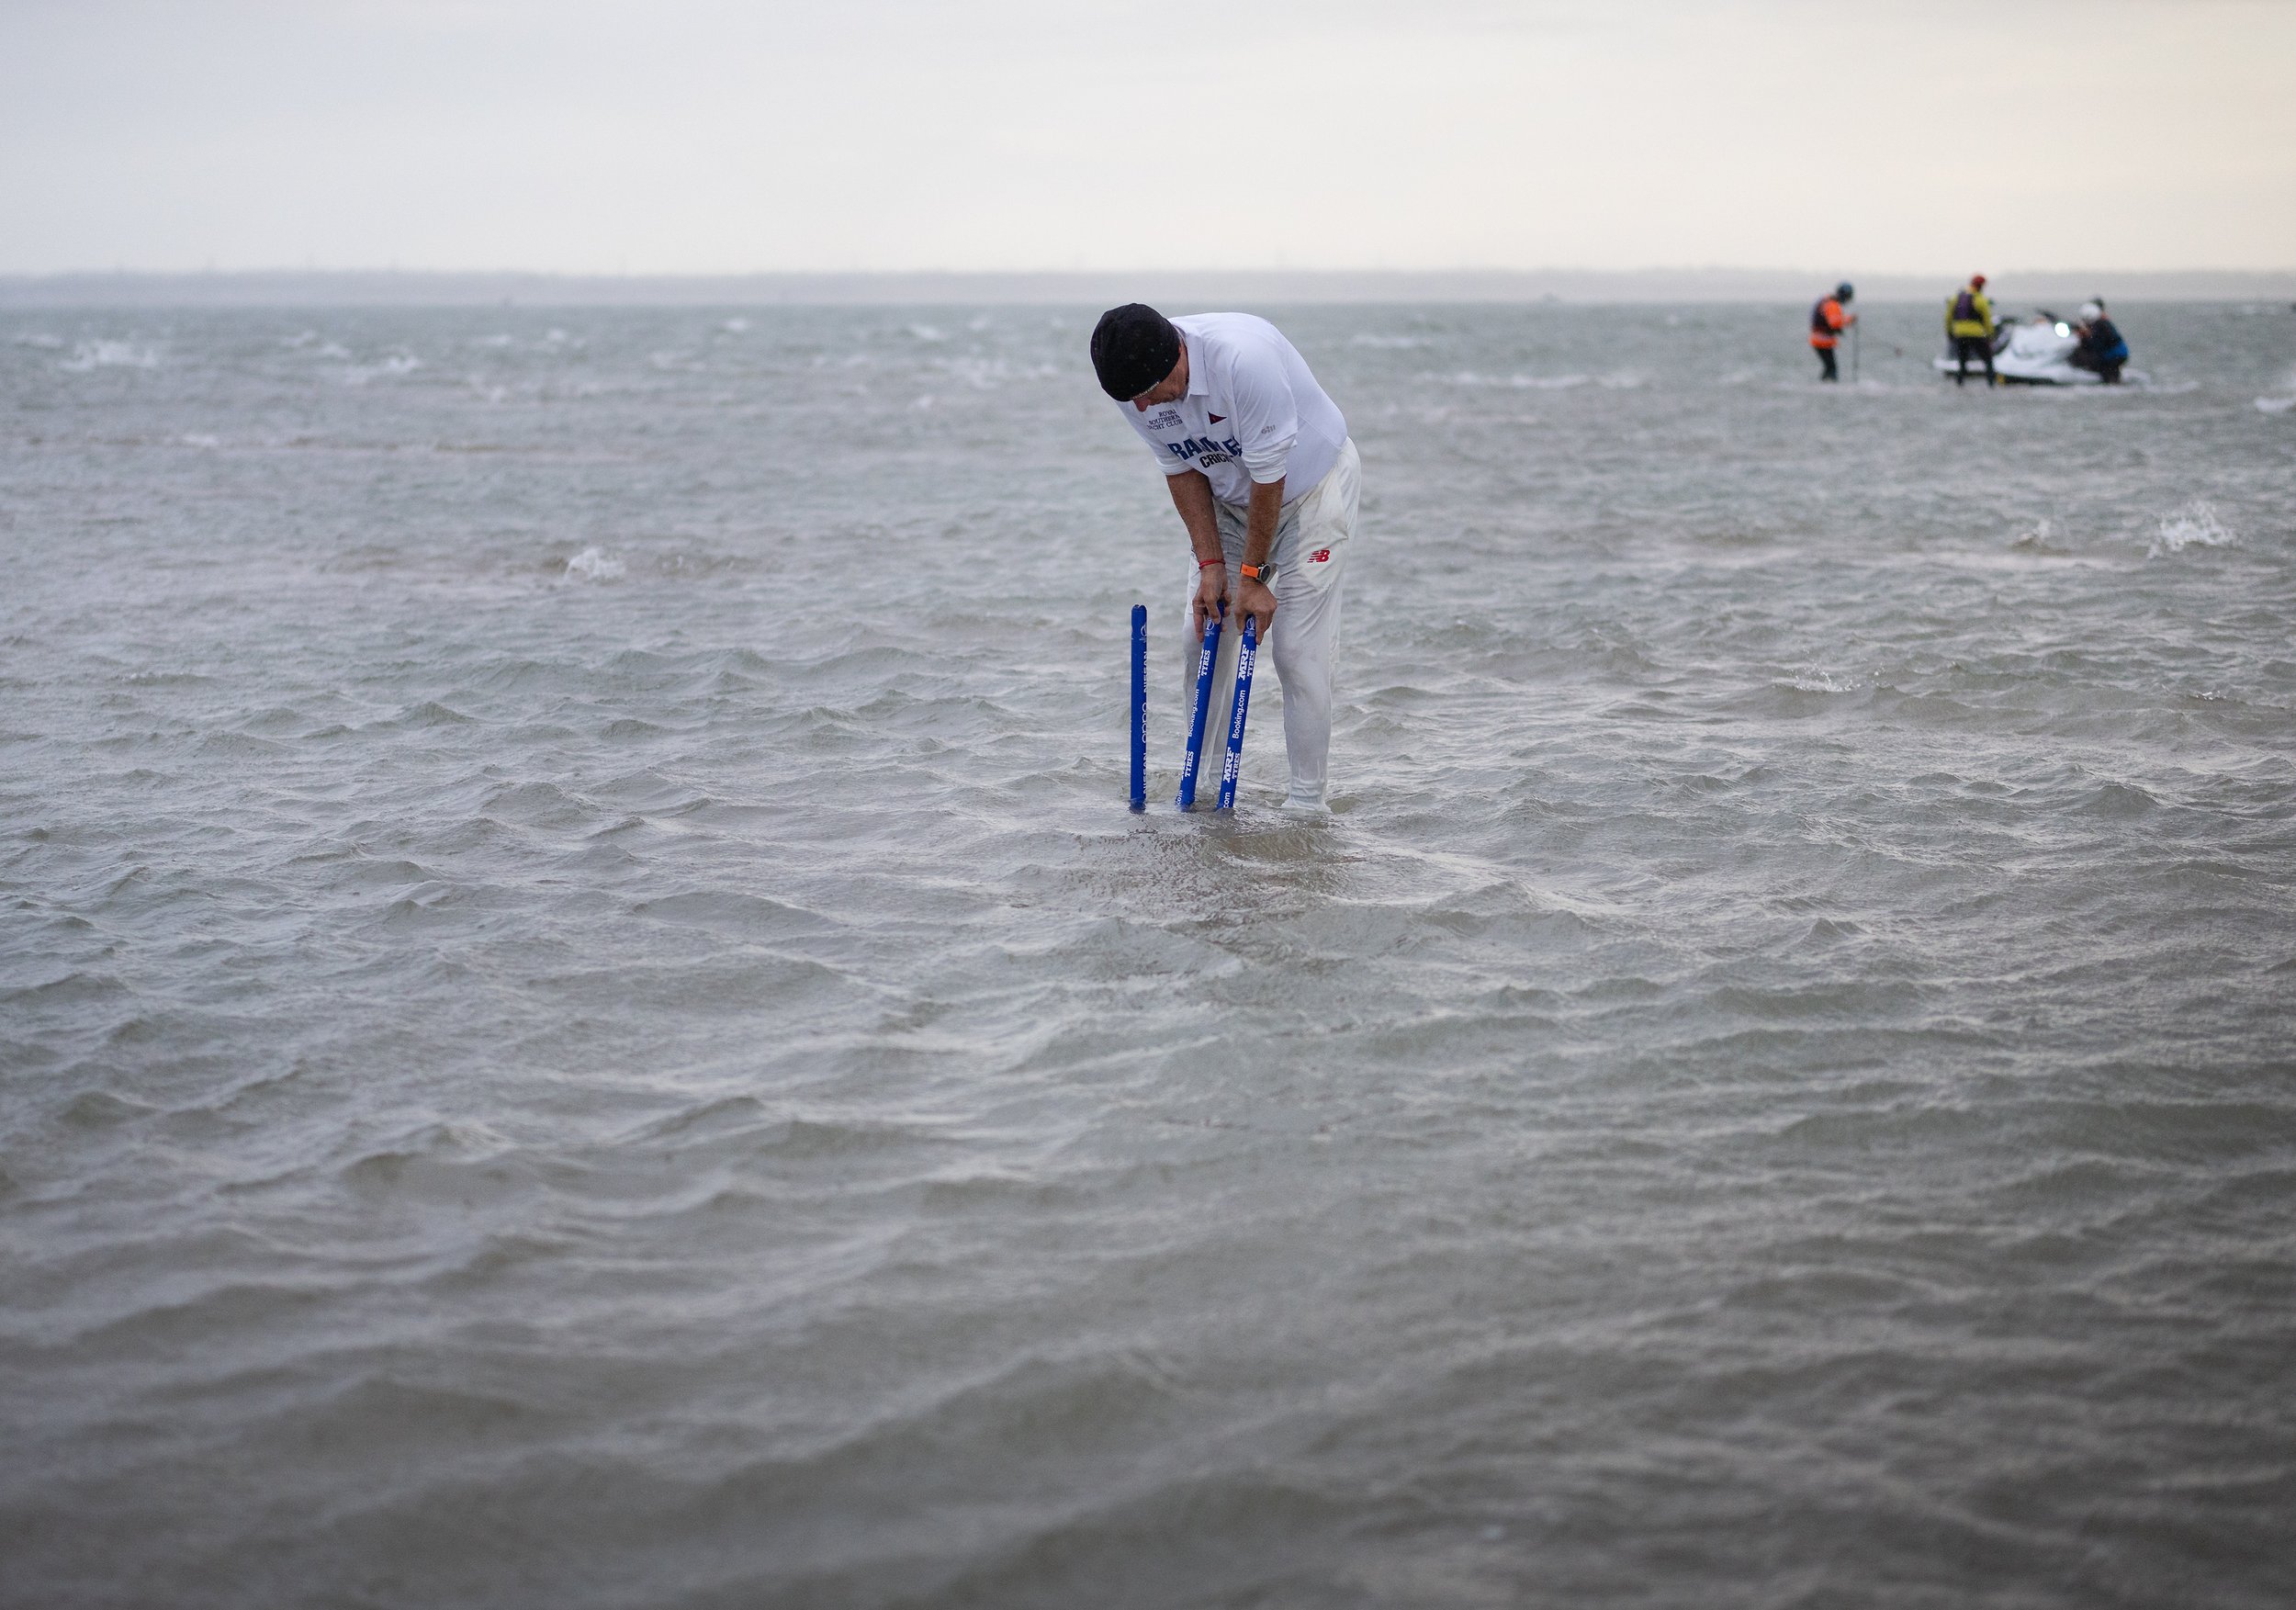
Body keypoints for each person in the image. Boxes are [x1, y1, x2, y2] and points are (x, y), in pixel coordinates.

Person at [1091, 304, 1358, 814]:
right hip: (1228, 500)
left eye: (1148, 393)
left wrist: (1254, 577)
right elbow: (1179, 468)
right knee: (1201, 632)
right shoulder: (1134, 388)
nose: (1144, 409)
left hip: (1311, 491)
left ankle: (1307, 805)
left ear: (1178, 355)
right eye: (1132, 401)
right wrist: (1213, 567)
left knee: (1296, 653)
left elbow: (1269, 473)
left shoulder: (1243, 360)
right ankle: (1207, 789)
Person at [1945, 274, 1996, 386]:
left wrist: (1949, 332)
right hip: (1976, 334)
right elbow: (1987, 320)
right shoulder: (1981, 300)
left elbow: (1948, 317)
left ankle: (1960, 384)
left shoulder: (1956, 298)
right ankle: (1991, 384)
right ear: (1981, 286)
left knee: (1962, 362)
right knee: (1988, 360)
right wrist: (1990, 335)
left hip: (1960, 334)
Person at [2072, 299, 2129, 384]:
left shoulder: (2100, 326)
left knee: (2107, 371)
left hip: (2114, 356)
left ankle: (2112, 381)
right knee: (2109, 370)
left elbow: (2095, 344)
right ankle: (2114, 380)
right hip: (2117, 354)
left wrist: (2084, 337)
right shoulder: (2101, 324)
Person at [1809, 282, 1856, 382]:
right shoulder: (1832, 304)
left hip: (1818, 339)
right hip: (1823, 340)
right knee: (1831, 367)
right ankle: (1828, 386)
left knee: (1829, 366)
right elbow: (1834, 323)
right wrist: (1849, 320)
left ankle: (1824, 385)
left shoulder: (1827, 301)